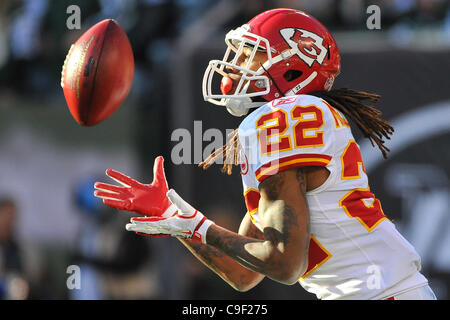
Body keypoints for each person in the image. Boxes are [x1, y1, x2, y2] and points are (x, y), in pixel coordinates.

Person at [93, 8, 436, 300]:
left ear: (292, 68)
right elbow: (244, 273)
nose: (233, 64)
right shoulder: (289, 117)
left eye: (248, 53)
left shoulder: (281, 116)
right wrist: (178, 218)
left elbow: (284, 264)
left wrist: (196, 225)